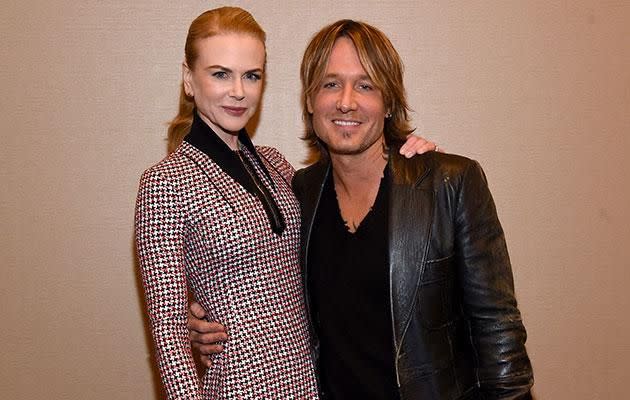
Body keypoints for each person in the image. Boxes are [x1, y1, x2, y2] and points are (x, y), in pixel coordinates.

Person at [189, 19, 534, 399]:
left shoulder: (449, 183)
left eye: (365, 85)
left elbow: (498, 331)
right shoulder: (297, 193)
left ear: (389, 102)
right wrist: (207, 315)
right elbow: (260, 280)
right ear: (309, 99)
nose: (346, 101)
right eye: (330, 83)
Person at [135, 8, 435, 399]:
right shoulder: (163, 183)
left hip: (313, 382)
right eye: (220, 74)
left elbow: (341, 222)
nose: (238, 91)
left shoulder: (276, 164)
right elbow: (168, 332)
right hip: (239, 387)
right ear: (189, 80)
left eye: (251, 75)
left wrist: (410, 158)